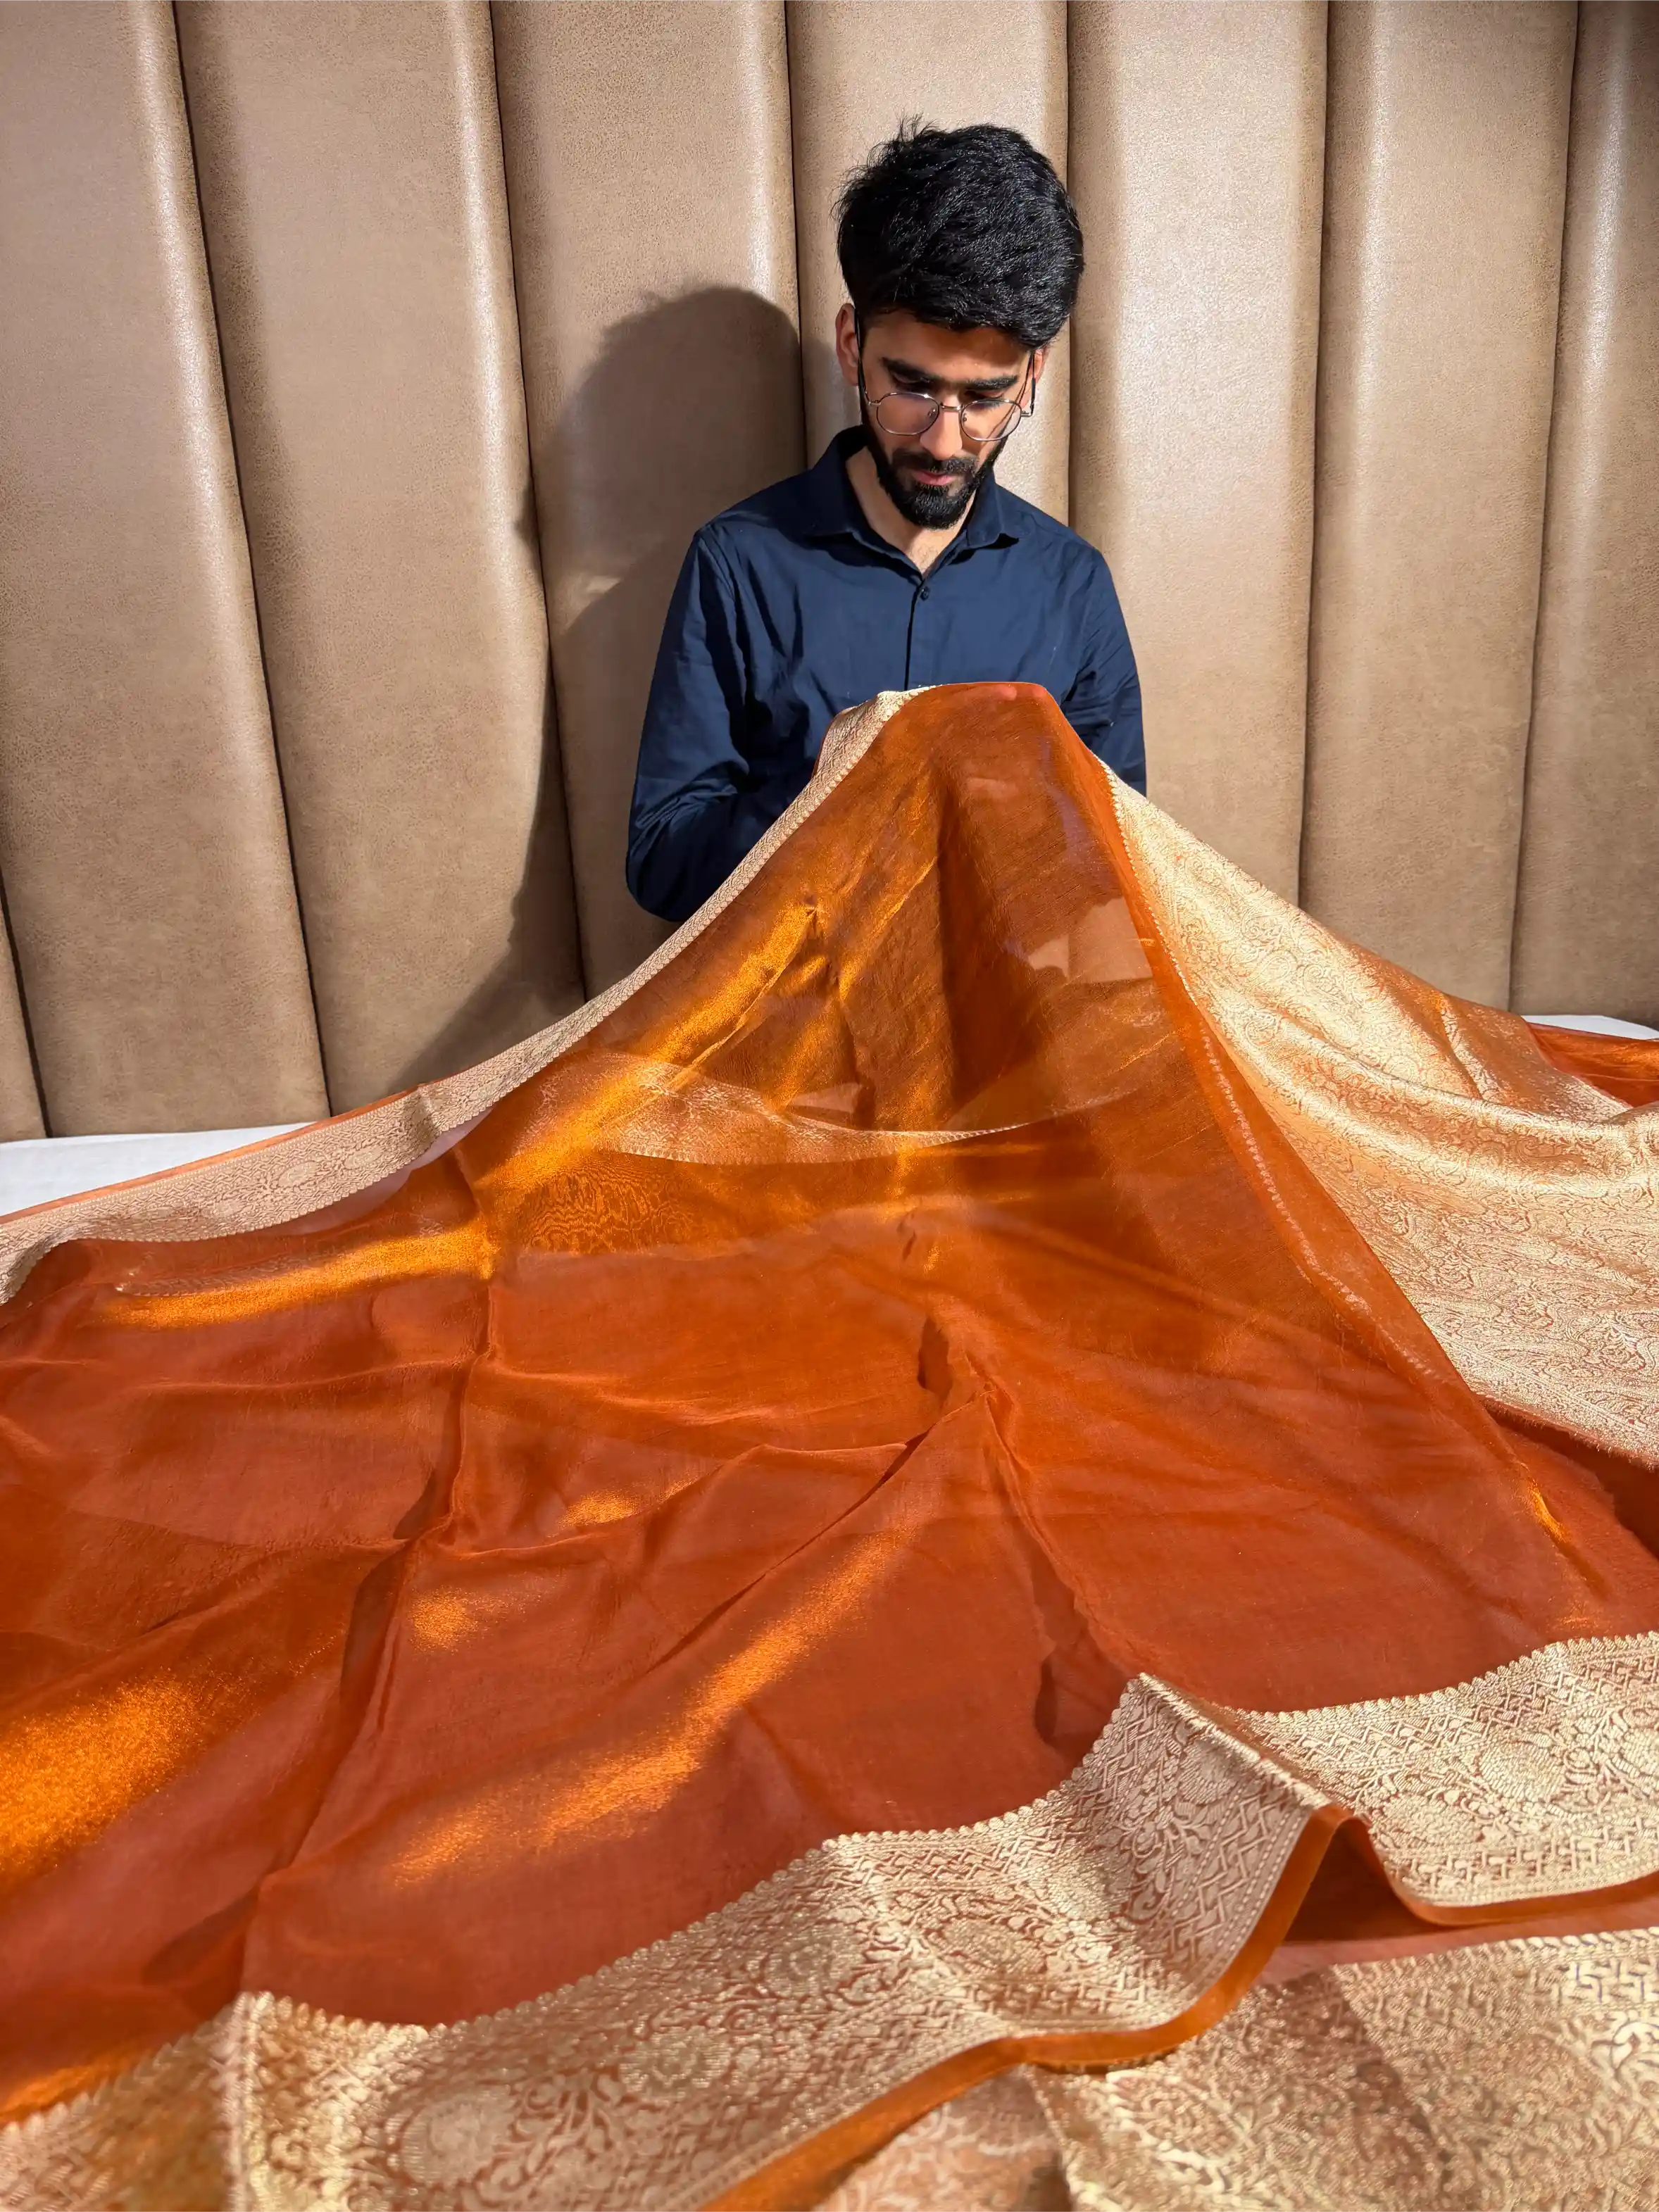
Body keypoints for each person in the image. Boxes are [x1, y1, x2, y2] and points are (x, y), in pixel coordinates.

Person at [626, 120, 1144, 925]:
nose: (944, 440)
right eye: (910, 386)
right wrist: (841, 788)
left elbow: (1118, 867)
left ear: (1032, 372)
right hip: (795, 1020)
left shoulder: (1070, 584)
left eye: (983, 399)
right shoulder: (739, 563)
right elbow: (661, 862)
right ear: (850, 345)